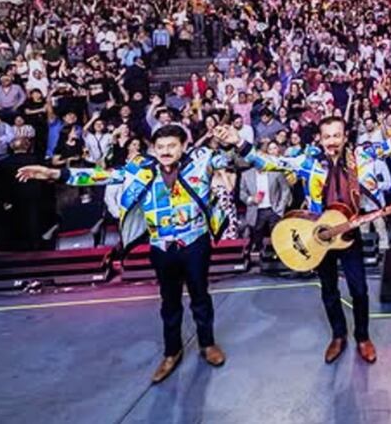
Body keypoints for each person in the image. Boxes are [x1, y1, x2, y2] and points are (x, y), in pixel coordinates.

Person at [17, 124, 233, 384]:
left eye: (172, 145)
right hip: (161, 247)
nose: (165, 151)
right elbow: (101, 175)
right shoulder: (140, 169)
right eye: (160, 147)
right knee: (169, 302)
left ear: (183, 146)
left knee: (200, 296)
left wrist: (234, 141)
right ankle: (171, 352)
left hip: (195, 242)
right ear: (153, 149)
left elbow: (236, 160)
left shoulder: (202, 161)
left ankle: (207, 344)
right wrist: (53, 173)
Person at [236, 115, 391, 364]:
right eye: (327, 136)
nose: (332, 141)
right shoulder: (308, 164)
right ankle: (338, 335)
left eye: (337, 135)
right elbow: (268, 162)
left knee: (360, 290)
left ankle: (362, 337)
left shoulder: (360, 157)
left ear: (345, 137)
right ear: (320, 139)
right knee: (329, 290)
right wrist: (239, 143)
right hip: (318, 238)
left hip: (348, 234)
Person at [239, 141, 292, 252]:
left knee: (277, 238)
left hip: (273, 209)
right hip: (256, 211)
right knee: (256, 240)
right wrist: (251, 199)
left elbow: (285, 189)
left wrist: (280, 208)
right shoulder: (246, 175)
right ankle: (258, 260)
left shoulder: (275, 172)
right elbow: (242, 193)